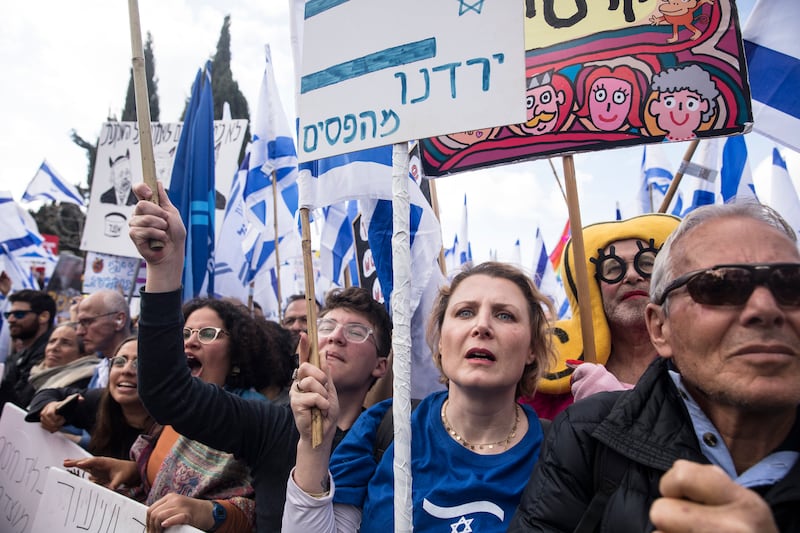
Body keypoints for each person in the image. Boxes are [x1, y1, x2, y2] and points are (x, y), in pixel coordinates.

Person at [509, 202, 800, 532]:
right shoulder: (579, 430)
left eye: (790, 284)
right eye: (719, 285)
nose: (764, 308)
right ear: (660, 325)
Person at [128, 180, 391, 532]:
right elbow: (167, 392)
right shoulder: (273, 426)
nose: (337, 337)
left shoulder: (391, 443)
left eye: (357, 332)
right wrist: (164, 266)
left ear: (380, 365)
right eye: (325, 326)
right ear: (306, 347)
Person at [283, 261, 556, 531]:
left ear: (532, 347)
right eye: (465, 313)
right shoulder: (385, 426)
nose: (482, 326)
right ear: (440, 341)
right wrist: (313, 446)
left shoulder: (557, 451)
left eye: (504, 315)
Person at [65, 297, 268, 533]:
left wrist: (206, 512)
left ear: (237, 351)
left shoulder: (256, 414)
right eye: (185, 333)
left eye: (207, 333)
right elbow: (161, 485)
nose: (191, 341)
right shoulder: (173, 411)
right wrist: (130, 472)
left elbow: (269, 511)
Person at [524, 214, 679, 419]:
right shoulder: (551, 371)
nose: (632, 276)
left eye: (647, 263)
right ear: (594, 288)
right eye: (614, 268)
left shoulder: (700, 361)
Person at [28, 336, 157, 459]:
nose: (126, 370)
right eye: (119, 362)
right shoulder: (99, 401)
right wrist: (50, 407)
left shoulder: (171, 427)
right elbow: (48, 394)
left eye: (140, 363)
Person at [0, 289, 56, 409]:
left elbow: (20, 405)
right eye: (8, 315)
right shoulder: (19, 355)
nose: (11, 320)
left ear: (44, 316)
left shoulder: (52, 354)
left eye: (19, 314)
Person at [76, 289, 132, 389]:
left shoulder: (140, 371)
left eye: (87, 322)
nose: (79, 332)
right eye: (79, 323)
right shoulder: (100, 370)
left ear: (119, 320)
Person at [25, 322, 96, 397]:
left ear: (83, 354)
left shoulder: (84, 380)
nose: (54, 348)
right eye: (52, 341)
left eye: (65, 343)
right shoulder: (36, 376)